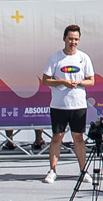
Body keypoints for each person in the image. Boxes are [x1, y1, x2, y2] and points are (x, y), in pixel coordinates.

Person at [40, 23, 94, 185]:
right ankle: (52, 170)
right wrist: (62, 81)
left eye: (76, 39)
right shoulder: (55, 57)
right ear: (64, 38)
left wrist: (79, 83)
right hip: (58, 105)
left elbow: (91, 81)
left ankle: (83, 171)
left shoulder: (84, 58)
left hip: (78, 105)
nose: (73, 42)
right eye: (70, 39)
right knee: (57, 137)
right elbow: (45, 80)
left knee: (78, 137)